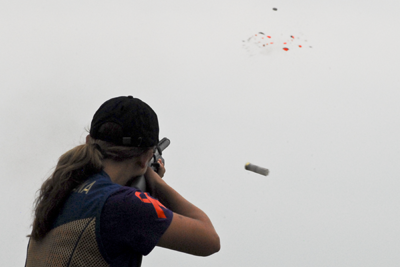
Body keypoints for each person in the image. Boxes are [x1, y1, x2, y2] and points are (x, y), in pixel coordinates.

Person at [25, 96, 220, 267]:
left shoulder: (62, 189)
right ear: (146, 157)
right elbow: (209, 240)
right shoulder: (122, 204)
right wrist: (156, 183)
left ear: (88, 141)